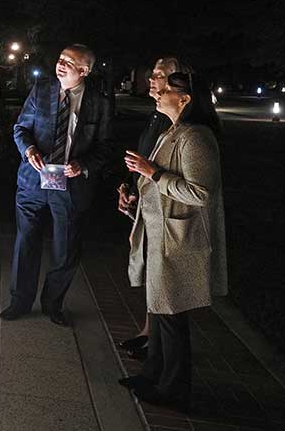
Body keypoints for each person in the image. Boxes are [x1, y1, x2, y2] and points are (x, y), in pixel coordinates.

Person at [120, 72, 227, 411]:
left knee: (171, 315)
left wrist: (152, 173)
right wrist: (138, 192)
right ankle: (153, 375)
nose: (159, 91)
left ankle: (174, 388)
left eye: (168, 89)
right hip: (159, 234)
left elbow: (201, 193)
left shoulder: (196, 137)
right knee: (159, 309)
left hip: (179, 240)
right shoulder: (172, 131)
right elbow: (159, 180)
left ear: (185, 99)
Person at [1, 44, 112, 325]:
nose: (60, 64)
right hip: (33, 182)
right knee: (25, 242)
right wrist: (29, 150)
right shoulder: (42, 90)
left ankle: (53, 304)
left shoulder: (99, 103)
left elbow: (105, 147)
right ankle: (19, 301)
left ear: (84, 71)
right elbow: (20, 128)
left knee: (65, 249)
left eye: (69, 62)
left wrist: (83, 165)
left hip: (71, 187)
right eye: (60, 58)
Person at [116, 57, 188, 360]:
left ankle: (156, 345)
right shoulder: (157, 115)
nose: (152, 81)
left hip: (167, 211)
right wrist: (129, 187)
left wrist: (149, 176)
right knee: (149, 270)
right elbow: (143, 157)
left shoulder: (184, 128)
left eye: (160, 77)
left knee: (162, 278)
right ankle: (149, 335)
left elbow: (192, 184)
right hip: (146, 200)